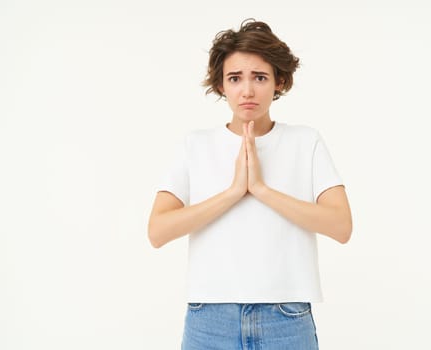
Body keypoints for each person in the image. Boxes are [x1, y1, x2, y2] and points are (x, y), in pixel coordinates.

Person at [147, 19, 352, 350]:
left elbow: (341, 226)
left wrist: (261, 190)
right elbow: (157, 231)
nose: (247, 90)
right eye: (234, 78)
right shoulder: (194, 145)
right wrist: (232, 192)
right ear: (220, 86)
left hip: (286, 317)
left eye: (259, 77)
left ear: (279, 82)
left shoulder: (305, 141)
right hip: (209, 319)